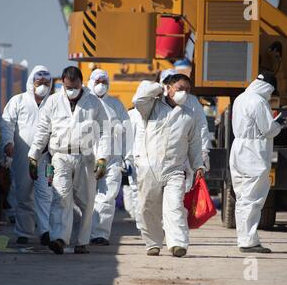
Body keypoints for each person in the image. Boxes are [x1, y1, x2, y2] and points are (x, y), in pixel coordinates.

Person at [28, 66, 110, 255]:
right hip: (60, 156)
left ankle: (81, 241)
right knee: (61, 197)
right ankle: (59, 238)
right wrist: (34, 155)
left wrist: (102, 157)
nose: (71, 90)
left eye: (75, 86)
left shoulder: (94, 104)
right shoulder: (53, 102)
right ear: (62, 84)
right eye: (67, 86)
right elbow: (43, 130)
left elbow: (105, 132)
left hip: (85, 157)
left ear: (82, 83)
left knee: (86, 201)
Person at [133, 75, 205, 257]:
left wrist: (199, 165)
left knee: (174, 206)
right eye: (180, 88)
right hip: (150, 167)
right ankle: (153, 243)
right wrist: (158, 88)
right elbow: (139, 97)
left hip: (175, 169)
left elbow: (195, 143)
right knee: (148, 207)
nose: (184, 93)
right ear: (169, 88)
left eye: (187, 90)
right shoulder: (151, 107)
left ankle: (177, 243)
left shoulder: (189, 115)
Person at [230, 72, 283, 253]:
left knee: (243, 198)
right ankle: (248, 242)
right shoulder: (259, 101)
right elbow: (268, 129)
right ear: (268, 87)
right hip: (253, 154)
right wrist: (280, 123)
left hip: (238, 150)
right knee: (253, 198)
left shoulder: (240, 98)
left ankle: (244, 238)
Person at [0, 65, 53, 246]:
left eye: (47, 82)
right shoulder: (18, 101)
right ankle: (24, 232)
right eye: (40, 82)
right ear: (32, 82)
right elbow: (7, 124)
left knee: (46, 193)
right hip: (22, 156)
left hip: (47, 157)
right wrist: (8, 142)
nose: (43, 86)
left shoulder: (54, 103)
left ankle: (45, 231)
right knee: (23, 194)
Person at [88, 69, 133, 246]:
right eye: (97, 81)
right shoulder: (85, 103)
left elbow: (127, 133)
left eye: (104, 82)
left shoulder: (116, 105)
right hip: (87, 158)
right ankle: (81, 233)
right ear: (90, 82)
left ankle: (100, 234)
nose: (101, 85)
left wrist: (127, 158)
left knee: (106, 197)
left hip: (112, 160)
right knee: (85, 198)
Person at [160, 69, 211, 191]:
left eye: (185, 88)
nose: (181, 92)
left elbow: (201, 126)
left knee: (182, 192)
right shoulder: (156, 103)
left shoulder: (191, 101)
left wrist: (203, 151)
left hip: (184, 156)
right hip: (158, 158)